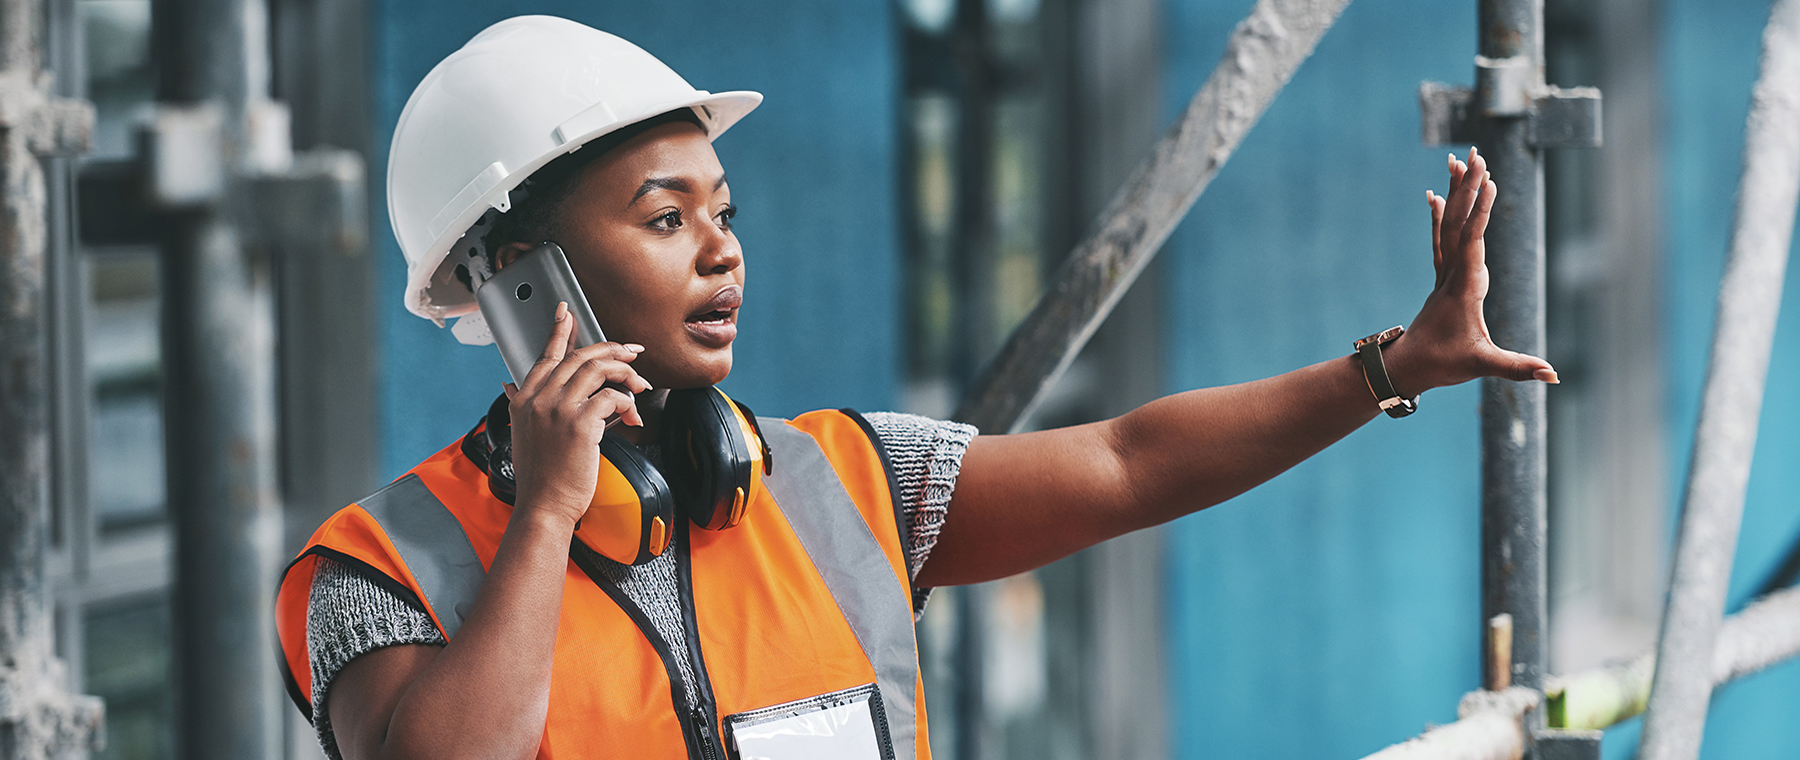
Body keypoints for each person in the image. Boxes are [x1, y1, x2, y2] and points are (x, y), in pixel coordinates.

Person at [273, 15, 1557, 760]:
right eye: (665, 218)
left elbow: (1125, 464)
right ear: (519, 281)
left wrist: (1391, 365)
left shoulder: (841, 481)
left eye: (725, 210)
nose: (723, 249)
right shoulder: (374, 572)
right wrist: (550, 511)